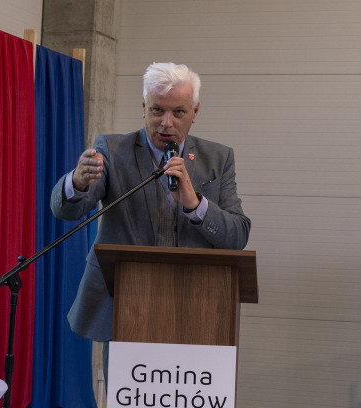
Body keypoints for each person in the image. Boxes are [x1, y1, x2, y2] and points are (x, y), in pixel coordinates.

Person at [51, 62, 251, 343]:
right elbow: (67, 211)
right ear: (144, 107)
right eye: (157, 110)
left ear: (194, 112)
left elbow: (237, 236)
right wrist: (78, 182)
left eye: (178, 112)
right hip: (124, 304)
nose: (166, 123)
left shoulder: (217, 159)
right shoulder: (112, 150)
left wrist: (194, 204)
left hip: (197, 308)